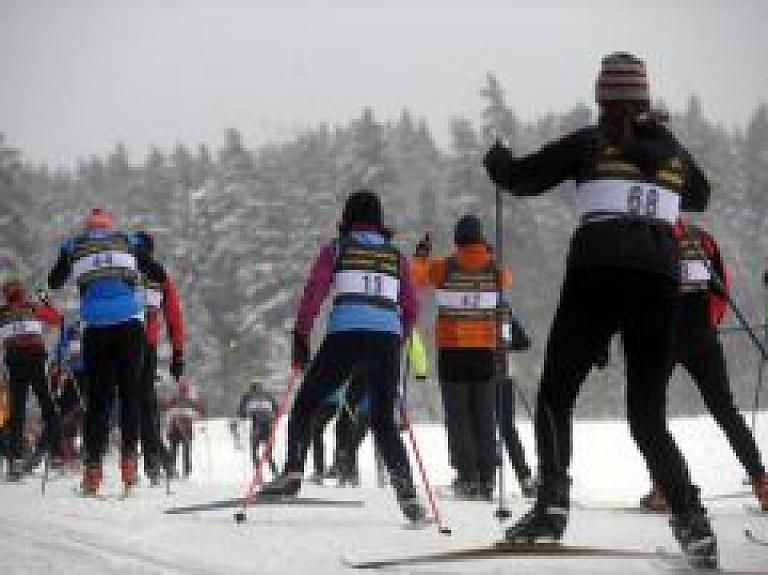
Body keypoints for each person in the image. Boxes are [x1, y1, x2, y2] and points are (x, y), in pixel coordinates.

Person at [483, 53, 717, 567]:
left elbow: (522, 178)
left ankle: (551, 506)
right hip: (660, 279)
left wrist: (497, 159)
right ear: (644, 97)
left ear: (603, 97)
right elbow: (700, 197)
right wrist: (664, 145)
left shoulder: (591, 141)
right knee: (646, 414)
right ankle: (692, 521)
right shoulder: (672, 148)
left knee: (555, 392)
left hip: (599, 270)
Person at [260, 189, 427, 523]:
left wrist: (301, 335)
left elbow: (314, 292)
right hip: (386, 340)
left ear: (347, 218)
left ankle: (292, 472)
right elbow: (411, 306)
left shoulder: (336, 250)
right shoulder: (397, 257)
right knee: (382, 418)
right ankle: (406, 486)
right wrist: (399, 335)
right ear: (379, 221)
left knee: (307, 403)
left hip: (346, 335)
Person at [639, 220, 768, 512]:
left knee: (649, 414)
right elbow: (721, 289)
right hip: (701, 335)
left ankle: (664, 487)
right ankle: (761, 481)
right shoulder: (702, 238)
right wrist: (709, 325)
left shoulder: (646, 236)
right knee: (725, 410)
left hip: (662, 336)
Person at [48, 207, 164, 494]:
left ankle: (93, 473)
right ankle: (129, 468)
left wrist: (69, 259)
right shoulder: (127, 241)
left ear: (88, 229)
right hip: (130, 327)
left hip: (96, 328)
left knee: (98, 400)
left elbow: (54, 282)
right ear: (110, 227)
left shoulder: (74, 246)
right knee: (130, 396)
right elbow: (158, 274)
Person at [412, 215, 524, 500]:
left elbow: (416, 279)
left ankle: (467, 477)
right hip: (486, 353)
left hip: (452, 352)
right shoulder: (495, 271)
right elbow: (507, 279)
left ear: (457, 240)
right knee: (485, 415)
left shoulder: (444, 268)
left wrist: (421, 255)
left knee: (458, 416)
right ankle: (487, 477)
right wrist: (488, 254)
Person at [135, 231, 185, 485]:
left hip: (116, 342)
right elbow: (174, 316)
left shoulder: (121, 270)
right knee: (145, 404)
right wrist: (178, 353)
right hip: (146, 344)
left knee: (131, 403)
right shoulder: (158, 275)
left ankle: (103, 461)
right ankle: (156, 462)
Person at [0, 277, 62, 480]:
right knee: (49, 409)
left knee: (17, 412)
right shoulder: (32, 307)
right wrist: (45, 302)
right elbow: (57, 319)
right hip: (34, 360)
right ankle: (50, 452)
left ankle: (16, 460)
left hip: (16, 362)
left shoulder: (3, 313)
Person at [164, 377, 205, 478]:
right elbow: (166, 409)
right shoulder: (176, 399)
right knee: (176, 451)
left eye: (184, 390)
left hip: (184, 429)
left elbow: (200, 410)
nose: (183, 392)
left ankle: (183, 471)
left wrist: (201, 406)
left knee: (182, 451)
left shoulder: (188, 400)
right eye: (182, 390)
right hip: (176, 429)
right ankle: (174, 470)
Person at [238, 380, 278, 475]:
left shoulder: (247, 397)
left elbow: (241, 413)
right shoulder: (268, 396)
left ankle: (259, 474)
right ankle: (274, 472)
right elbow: (277, 409)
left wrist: (247, 414)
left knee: (254, 450)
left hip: (257, 426)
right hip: (269, 426)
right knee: (268, 453)